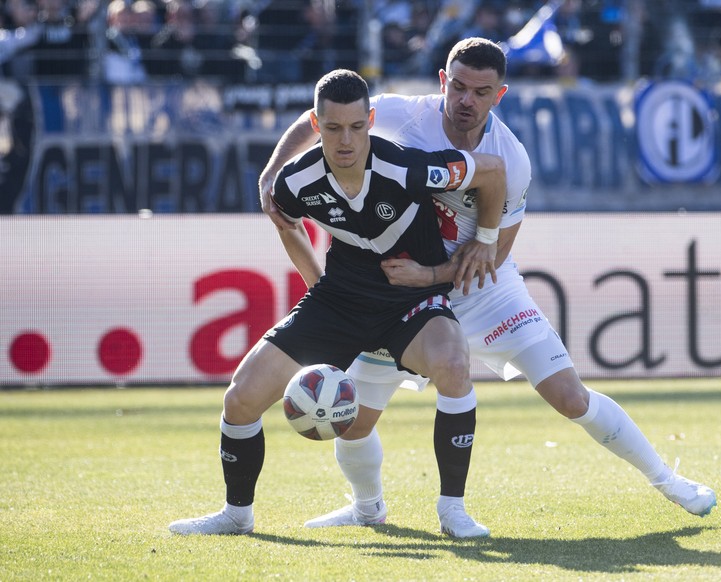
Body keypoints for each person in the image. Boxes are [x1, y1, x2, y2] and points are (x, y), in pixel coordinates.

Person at [258, 37, 717, 536]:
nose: (465, 100)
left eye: (480, 91)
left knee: (571, 397)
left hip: (482, 292)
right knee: (352, 418)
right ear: (442, 82)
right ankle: (367, 507)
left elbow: (491, 256)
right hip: (400, 301)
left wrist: (431, 275)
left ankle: (668, 481)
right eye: (457, 86)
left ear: (500, 94)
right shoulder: (401, 114)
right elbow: (320, 117)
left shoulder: (511, 159)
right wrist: (271, 172)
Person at [168, 68, 507, 536]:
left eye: (355, 127)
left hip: (410, 301)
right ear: (316, 123)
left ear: (370, 119)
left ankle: (453, 511)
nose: (345, 140)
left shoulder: (409, 168)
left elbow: (492, 171)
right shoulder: (295, 180)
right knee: (240, 398)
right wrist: (317, 286)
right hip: (338, 301)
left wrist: (487, 239)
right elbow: (285, 221)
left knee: (452, 365)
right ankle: (236, 515)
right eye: (332, 128)